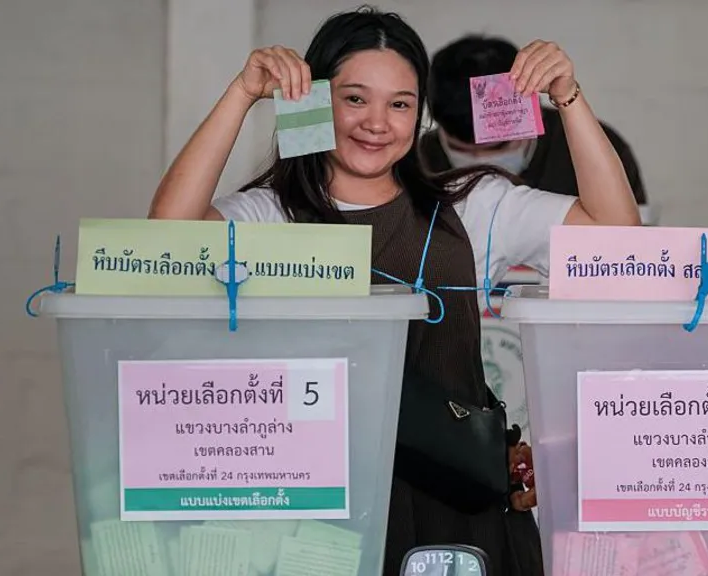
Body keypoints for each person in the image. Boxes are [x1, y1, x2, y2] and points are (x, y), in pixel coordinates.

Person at [148, 6, 640, 575]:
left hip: (458, 519)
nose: (376, 123)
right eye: (354, 98)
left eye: (400, 104)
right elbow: (170, 240)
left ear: (419, 115)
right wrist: (241, 94)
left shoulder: (471, 207)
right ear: (312, 100)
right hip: (313, 522)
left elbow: (614, 238)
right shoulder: (269, 216)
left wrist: (569, 98)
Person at [422, 34, 647, 204]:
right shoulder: (415, 159)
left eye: (500, 148)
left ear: (527, 112)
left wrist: (567, 95)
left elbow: (627, 236)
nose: (482, 162)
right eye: (462, 152)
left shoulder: (591, 148)